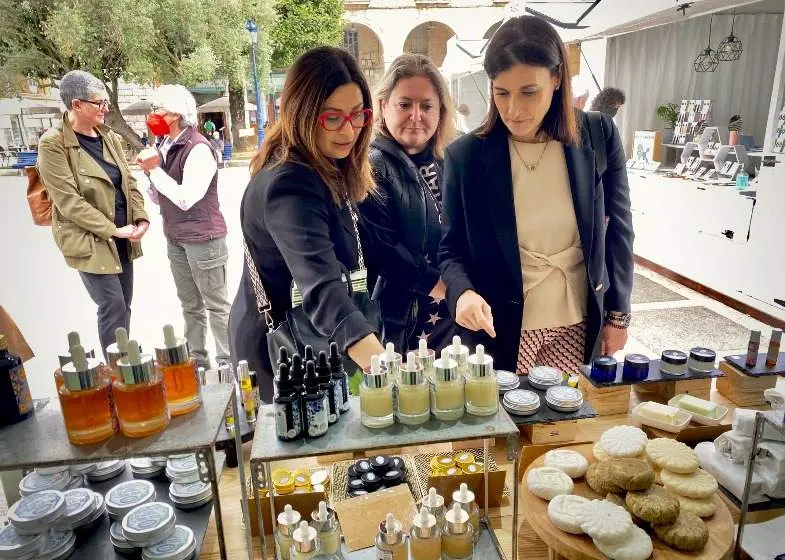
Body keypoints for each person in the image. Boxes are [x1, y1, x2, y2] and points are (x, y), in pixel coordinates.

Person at [439, 16, 634, 376]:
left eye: (529, 92)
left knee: (563, 427)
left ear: (557, 79)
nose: (513, 110)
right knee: (508, 429)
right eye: (501, 93)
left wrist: (619, 315)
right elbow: (450, 250)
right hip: (502, 326)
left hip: (577, 322)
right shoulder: (466, 156)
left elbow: (620, 229)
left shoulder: (597, 133)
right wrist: (462, 293)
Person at [229, 46, 385, 401]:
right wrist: (385, 366)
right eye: (332, 117)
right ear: (303, 113)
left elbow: (371, 248)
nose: (349, 130)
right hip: (284, 355)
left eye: (357, 115)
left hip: (312, 343)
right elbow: (322, 288)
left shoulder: (324, 165)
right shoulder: (291, 184)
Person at [38, 70, 150, 357]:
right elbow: (68, 202)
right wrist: (112, 230)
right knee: (111, 304)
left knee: (125, 302)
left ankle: (125, 361)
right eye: (99, 103)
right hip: (90, 238)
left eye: (106, 103)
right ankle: (119, 370)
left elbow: (129, 181)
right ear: (76, 105)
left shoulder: (107, 136)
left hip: (124, 234)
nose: (106, 109)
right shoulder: (53, 143)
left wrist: (140, 217)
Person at [359, 53, 457, 352]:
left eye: (427, 106)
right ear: (383, 105)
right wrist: (446, 288)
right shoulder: (371, 165)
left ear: (440, 111)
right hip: (404, 319)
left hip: (452, 313)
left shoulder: (450, 160)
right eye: (405, 104)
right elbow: (383, 251)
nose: (416, 115)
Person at [137, 85, 231, 370]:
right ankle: (198, 363)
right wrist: (151, 175)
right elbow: (159, 196)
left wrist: (154, 170)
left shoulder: (198, 148)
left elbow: (186, 198)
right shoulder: (165, 145)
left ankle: (228, 363)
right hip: (176, 237)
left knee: (216, 305)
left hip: (204, 239)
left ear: (175, 114)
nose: (152, 116)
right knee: (190, 305)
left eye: (158, 111)